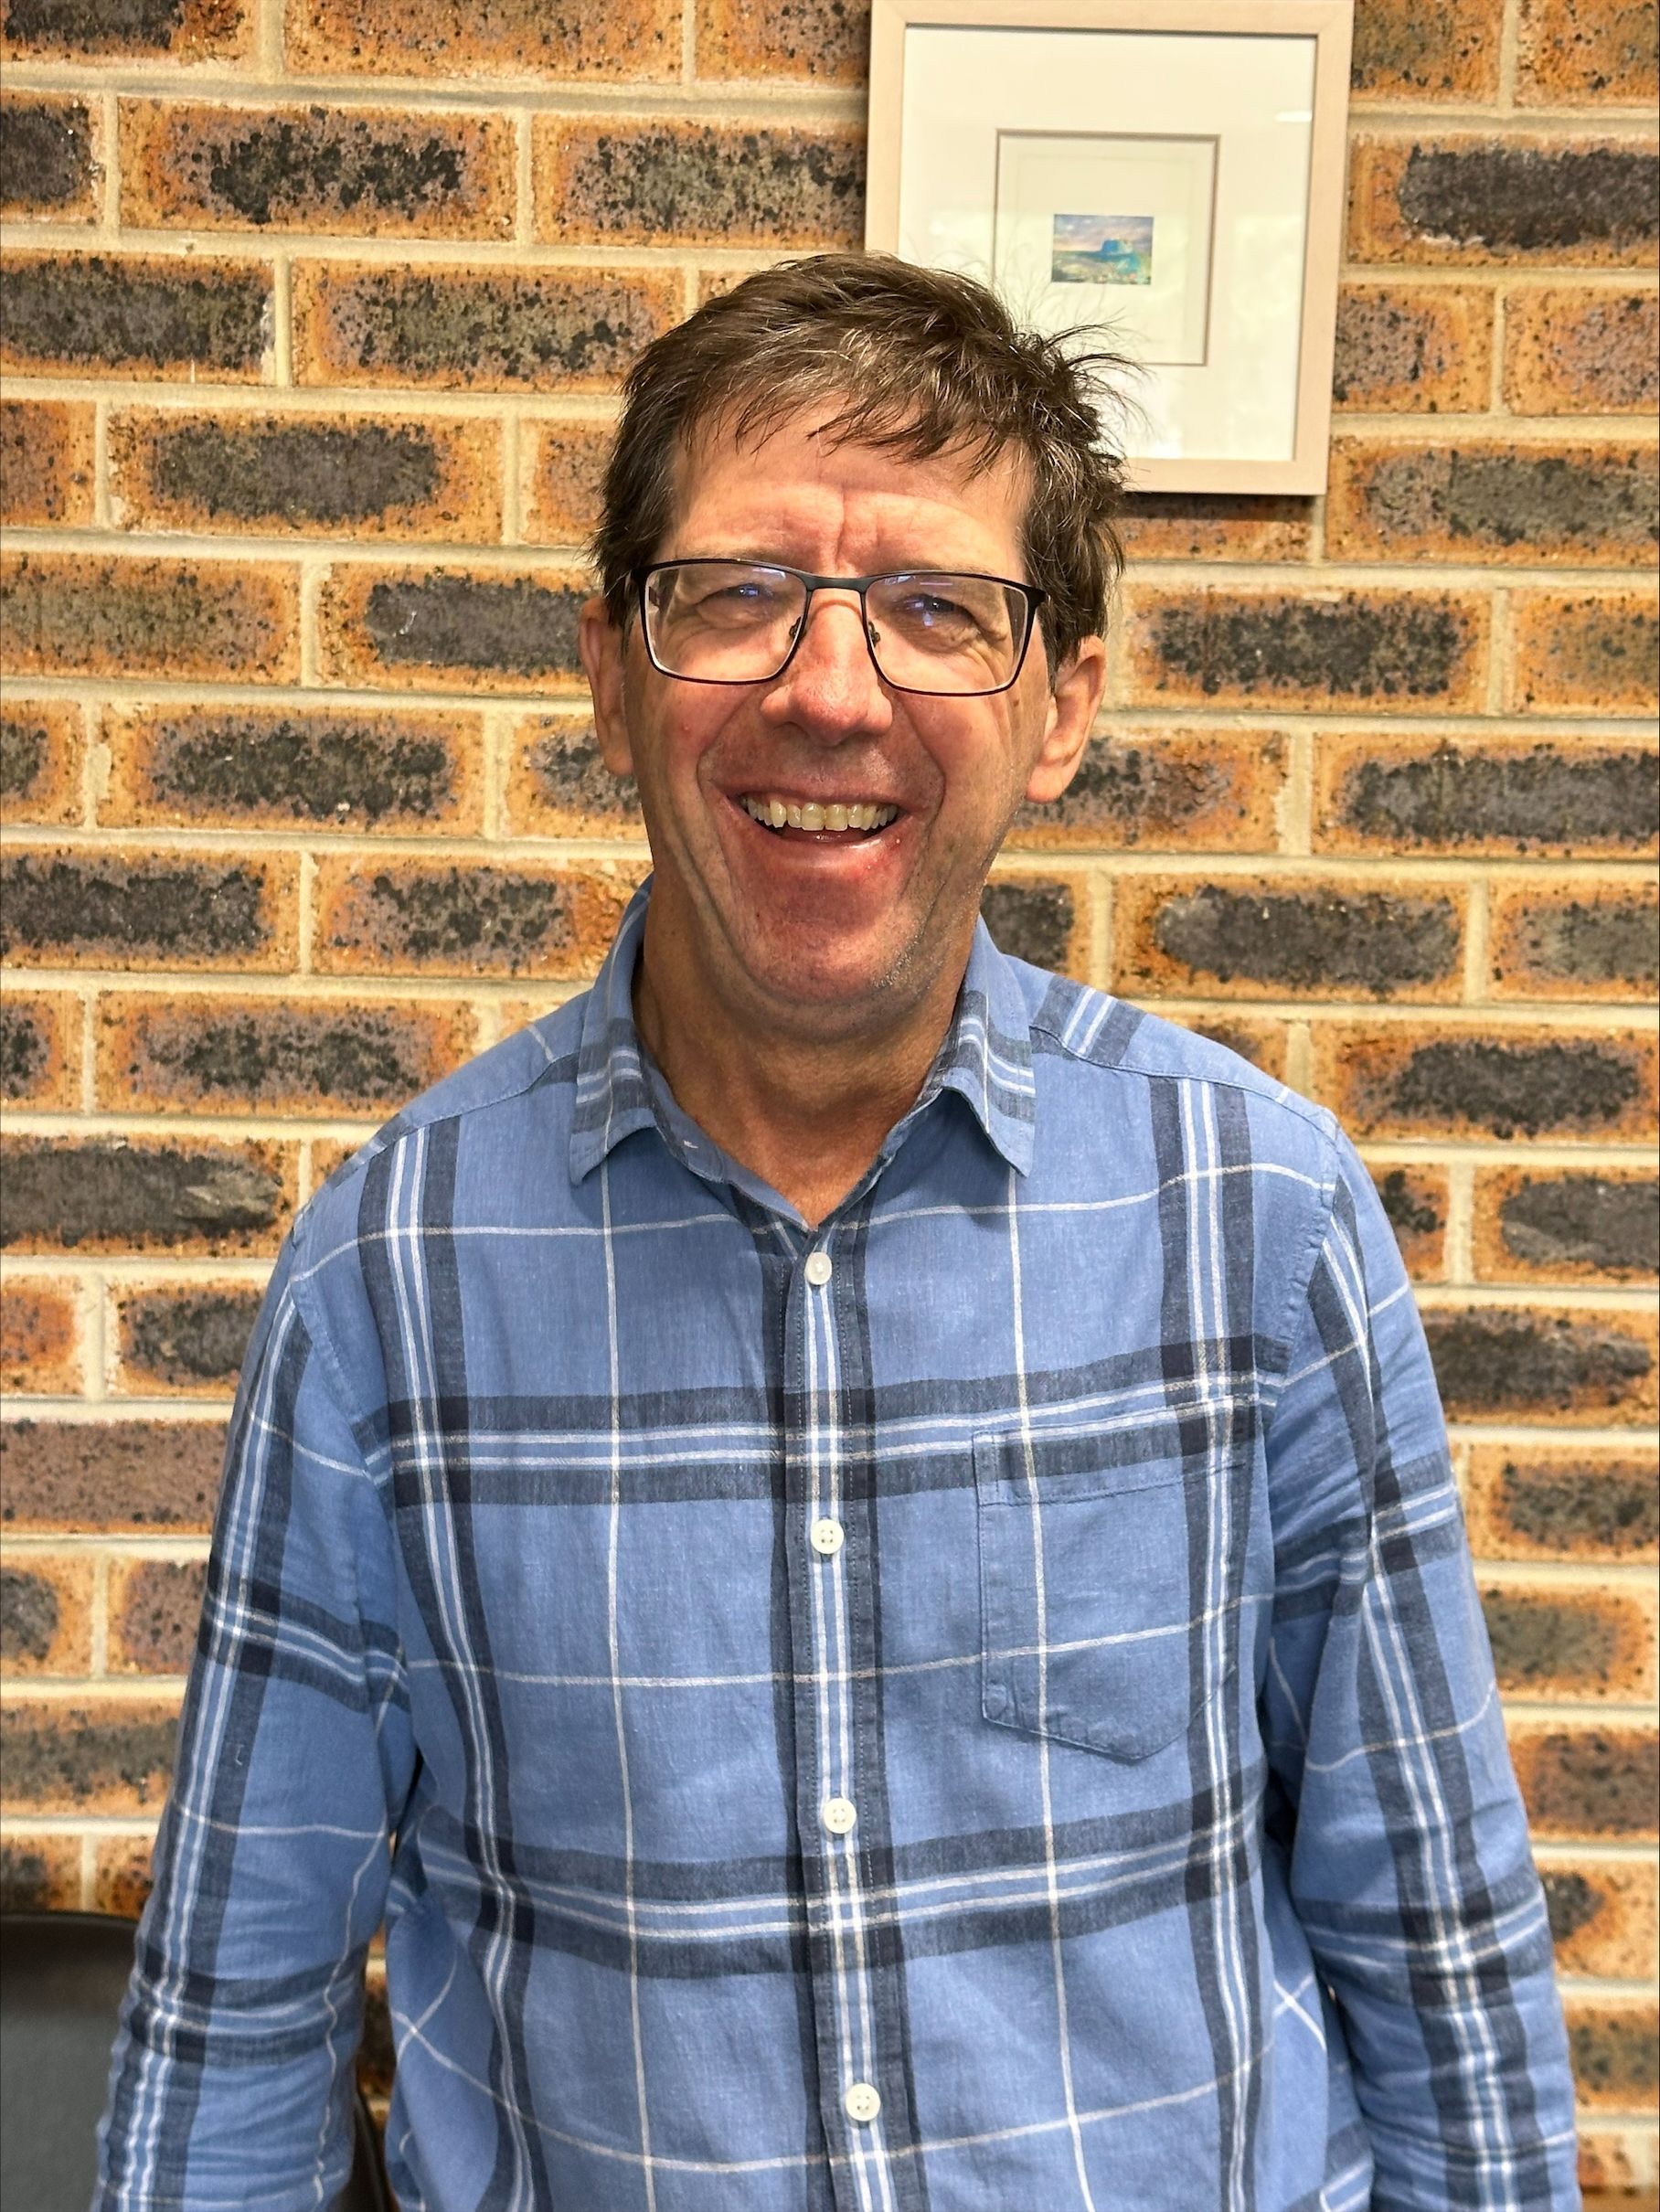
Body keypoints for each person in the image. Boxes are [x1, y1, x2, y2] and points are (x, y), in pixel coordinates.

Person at [96, 253, 1579, 2212]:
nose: (827, 685)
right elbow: (237, 2015)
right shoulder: (392, 1278)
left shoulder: (1257, 1217)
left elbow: (1436, 1956)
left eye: (936, 610)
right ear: (610, 673)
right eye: (736, 593)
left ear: (1062, 706)